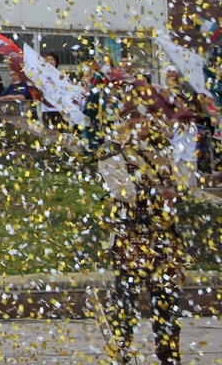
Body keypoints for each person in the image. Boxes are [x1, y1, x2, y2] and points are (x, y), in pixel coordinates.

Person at [97, 100, 185, 365]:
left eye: (147, 117)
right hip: (131, 236)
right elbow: (122, 191)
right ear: (125, 121)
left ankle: (169, 354)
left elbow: (175, 185)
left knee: (167, 300)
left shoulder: (159, 149)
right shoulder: (111, 151)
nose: (145, 122)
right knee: (126, 299)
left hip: (164, 236)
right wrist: (158, 194)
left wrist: (174, 196)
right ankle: (119, 353)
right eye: (137, 118)